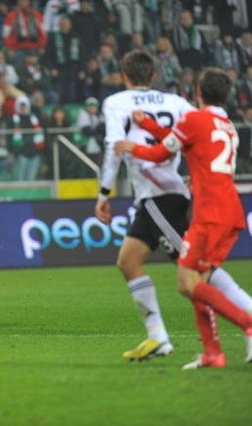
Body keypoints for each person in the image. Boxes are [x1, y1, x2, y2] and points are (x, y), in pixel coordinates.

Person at [95, 51, 252, 361]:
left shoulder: (116, 102)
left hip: (160, 194)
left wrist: (103, 193)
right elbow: (183, 139)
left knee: (196, 276)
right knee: (128, 261)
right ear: (154, 76)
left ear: (125, 76)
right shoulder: (181, 105)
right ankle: (158, 337)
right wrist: (151, 126)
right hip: (161, 196)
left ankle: (242, 324)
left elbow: (117, 148)